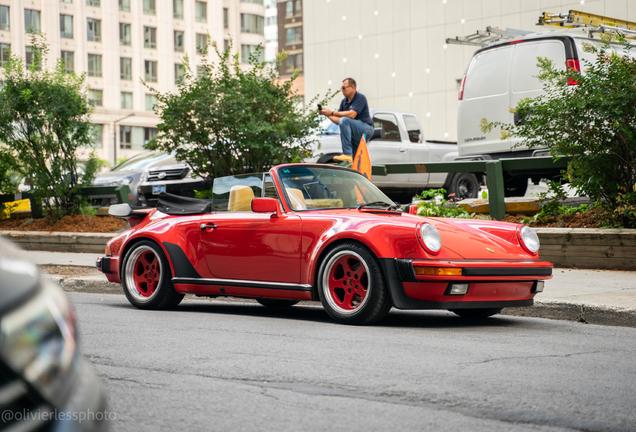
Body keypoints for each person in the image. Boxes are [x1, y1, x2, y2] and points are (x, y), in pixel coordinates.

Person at [319, 78, 374, 163]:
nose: (342, 90)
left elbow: (352, 115)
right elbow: (338, 121)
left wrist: (332, 113)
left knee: (345, 120)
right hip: (354, 132)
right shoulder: (344, 102)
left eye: (344, 88)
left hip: (366, 129)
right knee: (355, 161)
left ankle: (347, 154)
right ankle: (351, 159)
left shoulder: (360, 98)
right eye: (341, 88)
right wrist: (327, 114)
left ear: (352, 87)